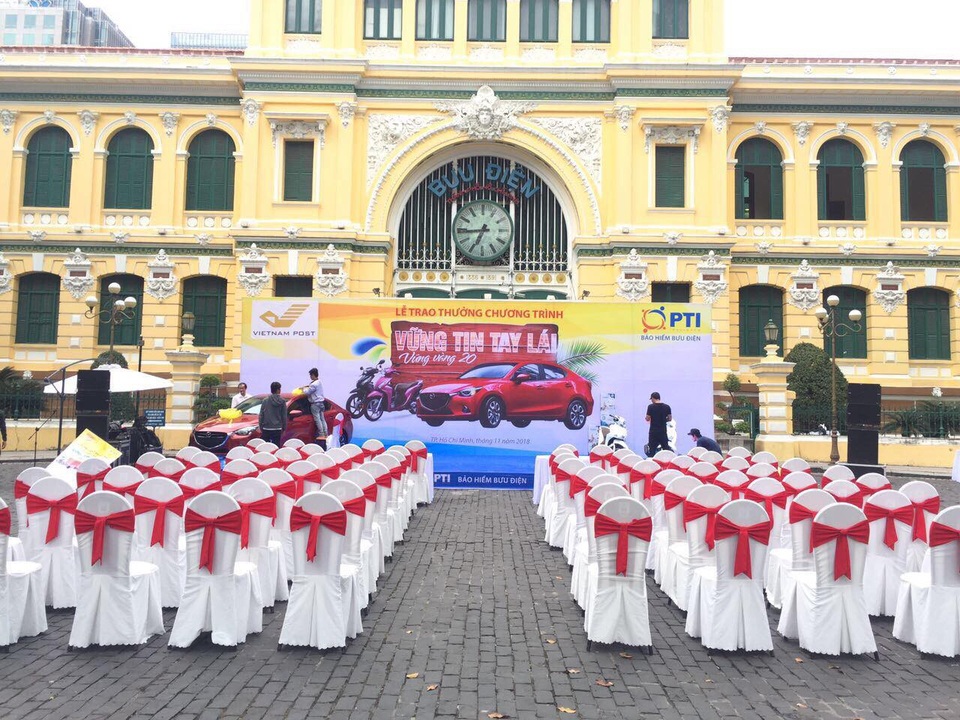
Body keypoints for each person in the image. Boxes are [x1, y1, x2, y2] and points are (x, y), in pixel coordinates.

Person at [300, 368, 328, 446]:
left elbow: (308, 392)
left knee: (317, 419)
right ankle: (325, 433)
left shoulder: (313, 384)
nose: (310, 377)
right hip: (321, 403)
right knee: (322, 419)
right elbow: (311, 387)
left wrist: (303, 389)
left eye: (310, 375)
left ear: (313, 375)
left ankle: (321, 434)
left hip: (315, 404)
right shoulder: (319, 382)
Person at [258, 381, 287, 445]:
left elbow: (261, 415)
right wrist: (284, 428)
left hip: (266, 427)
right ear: (278, 390)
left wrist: (261, 426)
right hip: (277, 428)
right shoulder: (282, 401)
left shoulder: (265, 400)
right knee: (276, 446)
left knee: (266, 446)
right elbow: (284, 416)